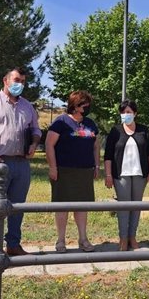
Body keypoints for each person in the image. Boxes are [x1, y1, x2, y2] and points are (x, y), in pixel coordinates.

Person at [0, 67, 41, 257]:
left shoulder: (27, 106)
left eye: (23, 81)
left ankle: (13, 244)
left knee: (17, 206)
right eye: (16, 80)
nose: (20, 84)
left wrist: (34, 144)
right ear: (5, 80)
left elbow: (36, 130)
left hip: (21, 164)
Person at [46, 90, 100, 253]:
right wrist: (53, 167)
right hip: (63, 171)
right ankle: (61, 240)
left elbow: (96, 146)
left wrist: (96, 166)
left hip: (84, 172)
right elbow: (49, 145)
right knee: (62, 207)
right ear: (75, 105)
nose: (87, 107)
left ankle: (83, 239)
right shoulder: (61, 122)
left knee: (82, 207)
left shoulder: (90, 123)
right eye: (84, 104)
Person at [103, 100, 149, 251]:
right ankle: (123, 238)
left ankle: (132, 237)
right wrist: (108, 175)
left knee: (136, 206)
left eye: (128, 112)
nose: (125, 115)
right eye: (123, 112)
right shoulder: (115, 131)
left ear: (135, 113)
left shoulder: (143, 130)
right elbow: (107, 156)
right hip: (121, 175)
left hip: (140, 175)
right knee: (123, 207)